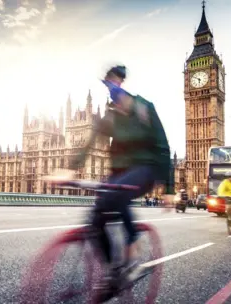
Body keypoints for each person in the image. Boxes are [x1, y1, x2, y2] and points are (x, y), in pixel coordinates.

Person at [68, 65, 174, 293]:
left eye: (115, 85)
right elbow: (88, 144)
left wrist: (169, 188)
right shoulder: (110, 118)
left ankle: (133, 247)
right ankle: (113, 272)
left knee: (118, 192)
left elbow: (163, 146)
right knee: (96, 216)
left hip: (146, 169)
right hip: (120, 173)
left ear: (122, 86)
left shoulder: (144, 108)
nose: (113, 92)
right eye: (108, 87)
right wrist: (70, 169)